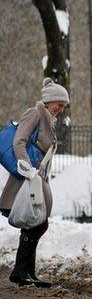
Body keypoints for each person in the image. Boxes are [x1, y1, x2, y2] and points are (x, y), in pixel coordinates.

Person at [1, 78, 69, 288]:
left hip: (36, 179)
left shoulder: (48, 118)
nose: (61, 108)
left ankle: (26, 273)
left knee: (36, 222)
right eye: (59, 104)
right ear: (49, 101)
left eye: (64, 105)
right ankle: (21, 272)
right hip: (26, 179)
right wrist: (26, 166)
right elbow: (18, 140)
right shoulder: (35, 113)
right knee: (38, 223)